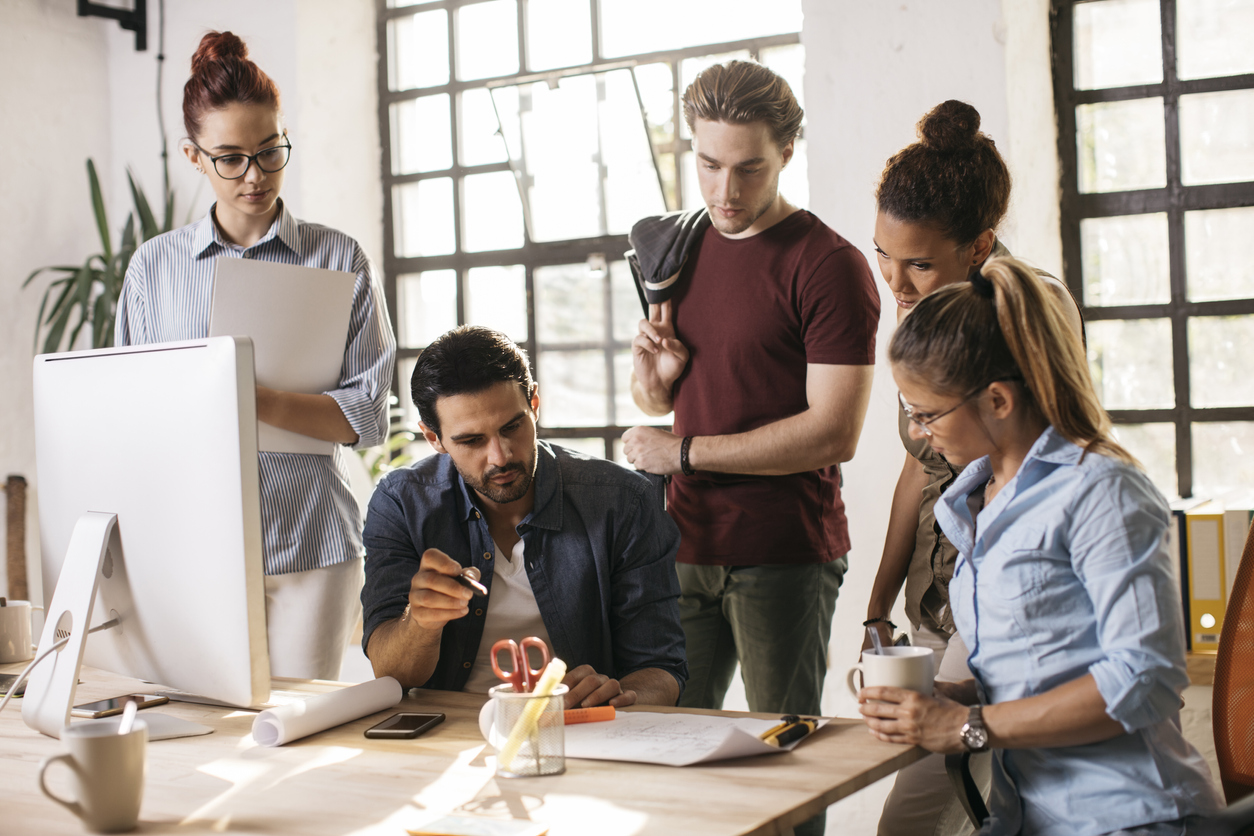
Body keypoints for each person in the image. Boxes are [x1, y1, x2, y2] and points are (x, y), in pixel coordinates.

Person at [860, 256, 1223, 836]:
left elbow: (1143, 679)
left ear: (998, 401)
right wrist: (950, 693)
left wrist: (967, 725)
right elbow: (1040, 660)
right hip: (1029, 817)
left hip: (1126, 818)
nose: (918, 433)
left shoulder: (1101, 491)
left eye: (926, 414)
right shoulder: (975, 500)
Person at [622, 62, 878, 836]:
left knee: (783, 769)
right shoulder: (678, 247)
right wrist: (654, 378)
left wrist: (686, 453)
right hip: (683, 546)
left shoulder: (828, 266)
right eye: (707, 165)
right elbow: (659, 403)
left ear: (788, 151)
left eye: (748, 169)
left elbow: (835, 431)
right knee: (669, 757)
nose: (724, 192)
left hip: (782, 556)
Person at [115, 31, 396, 680]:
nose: (255, 176)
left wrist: (254, 399)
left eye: (271, 152)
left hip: (312, 542)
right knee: (201, 731)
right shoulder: (153, 268)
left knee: (294, 739)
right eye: (231, 158)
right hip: (189, 546)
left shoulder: (338, 257)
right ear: (194, 156)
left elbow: (368, 419)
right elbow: (130, 414)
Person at [864, 100, 1083, 836]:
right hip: (940, 596)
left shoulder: (1019, 319)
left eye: (917, 263)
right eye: (883, 257)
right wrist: (877, 604)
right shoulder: (921, 312)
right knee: (966, 804)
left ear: (981, 243)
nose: (896, 282)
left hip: (999, 595)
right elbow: (916, 469)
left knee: (915, 816)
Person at [361, 326, 686, 708]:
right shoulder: (401, 503)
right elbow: (391, 674)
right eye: (471, 440)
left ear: (534, 404)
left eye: (512, 427)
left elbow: (662, 667)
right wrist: (420, 623)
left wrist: (620, 697)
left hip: (576, 730)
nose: (500, 456)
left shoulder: (623, 502)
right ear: (434, 439)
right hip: (447, 729)